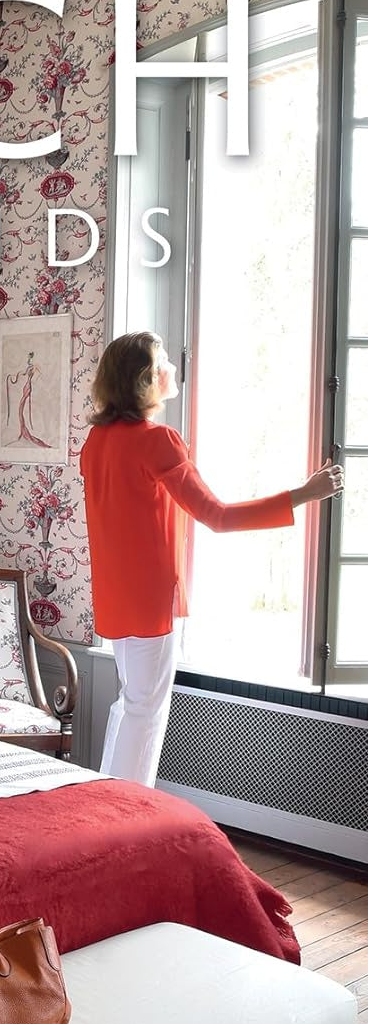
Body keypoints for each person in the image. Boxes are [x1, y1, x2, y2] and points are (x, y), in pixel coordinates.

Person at [80, 331, 342, 786]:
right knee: (145, 710)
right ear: (145, 379)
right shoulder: (157, 440)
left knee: (130, 703)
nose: (173, 368)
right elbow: (217, 516)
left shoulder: (96, 441)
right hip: (151, 600)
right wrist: (303, 494)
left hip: (116, 597)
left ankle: (107, 802)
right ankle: (129, 815)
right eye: (164, 361)